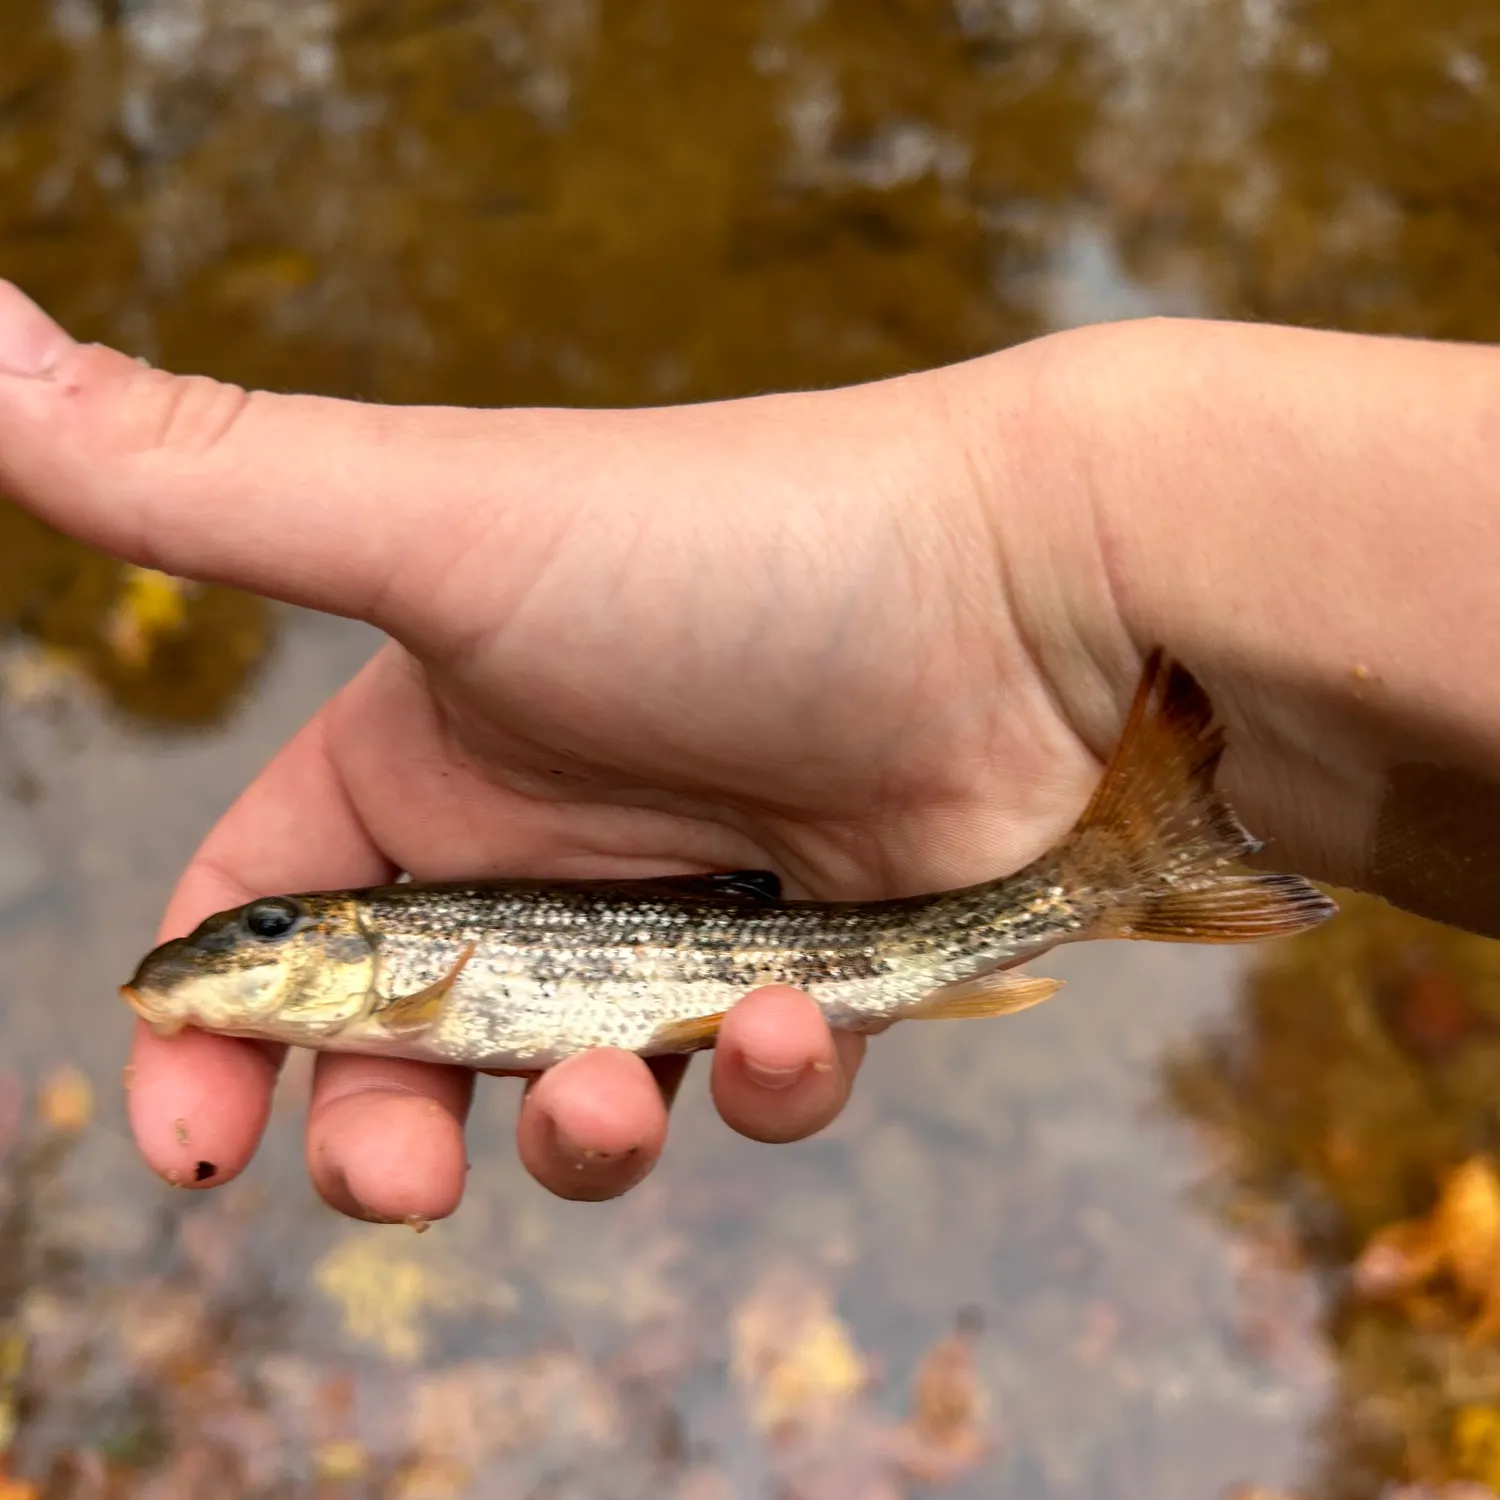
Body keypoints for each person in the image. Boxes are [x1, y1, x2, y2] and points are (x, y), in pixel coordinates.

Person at [0, 278, 1495, 1226]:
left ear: (341, 946)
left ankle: (1114, 868)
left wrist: (1034, 561)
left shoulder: (407, 958)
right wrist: (1045, 562)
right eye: (261, 939)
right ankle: (1110, 869)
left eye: (272, 935)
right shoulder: (384, 978)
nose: (255, 949)